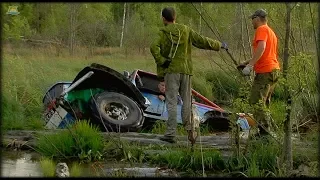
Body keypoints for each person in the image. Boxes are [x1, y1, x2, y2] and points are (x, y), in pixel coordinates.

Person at [150, 7, 228, 143]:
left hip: (171, 71)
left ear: (163, 18)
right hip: (186, 71)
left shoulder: (162, 32)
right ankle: (190, 132)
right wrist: (219, 45)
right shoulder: (185, 30)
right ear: (175, 17)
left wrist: (162, 60)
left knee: (171, 102)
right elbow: (202, 41)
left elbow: (153, 47)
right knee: (187, 102)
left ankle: (170, 134)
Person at [238, 9, 281, 137]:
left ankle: (266, 133)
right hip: (274, 70)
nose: (252, 22)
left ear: (257, 18)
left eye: (252, 19)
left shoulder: (261, 29)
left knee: (256, 101)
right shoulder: (271, 32)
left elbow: (261, 48)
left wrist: (250, 66)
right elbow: (266, 52)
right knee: (264, 102)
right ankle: (268, 131)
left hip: (265, 72)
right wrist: (246, 62)